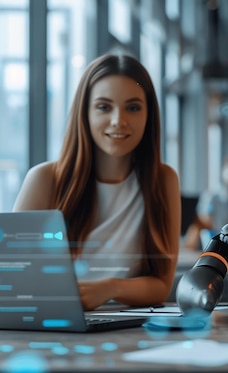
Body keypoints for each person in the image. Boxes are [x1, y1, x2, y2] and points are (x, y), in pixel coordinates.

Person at [13, 54, 181, 311]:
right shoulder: (45, 179)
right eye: (104, 107)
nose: (118, 120)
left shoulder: (163, 180)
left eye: (133, 107)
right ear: (85, 113)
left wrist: (110, 288)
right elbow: (15, 279)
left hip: (126, 329)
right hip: (53, 324)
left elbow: (161, 284)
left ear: (149, 116)